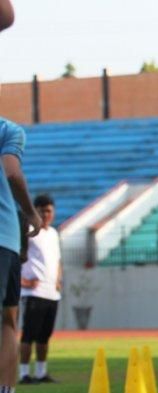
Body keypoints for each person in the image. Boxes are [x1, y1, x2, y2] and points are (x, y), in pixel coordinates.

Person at [0, 117, 42, 393]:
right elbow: (11, 172)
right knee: (8, 322)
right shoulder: (8, 130)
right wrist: (30, 211)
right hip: (3, 237)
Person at [18, 195, 62, 384]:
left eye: (49, 210)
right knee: (29, 335)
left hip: (51, 292)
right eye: (41, 210)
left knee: (45, 336)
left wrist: (59, 279)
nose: (45, 214)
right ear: (34, 210)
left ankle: (41, 372)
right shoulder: (28, 230)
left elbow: (58, 260)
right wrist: (23, 281)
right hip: (33, 292)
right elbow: (17, 255)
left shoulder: (53, 233)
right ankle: (24, 374)